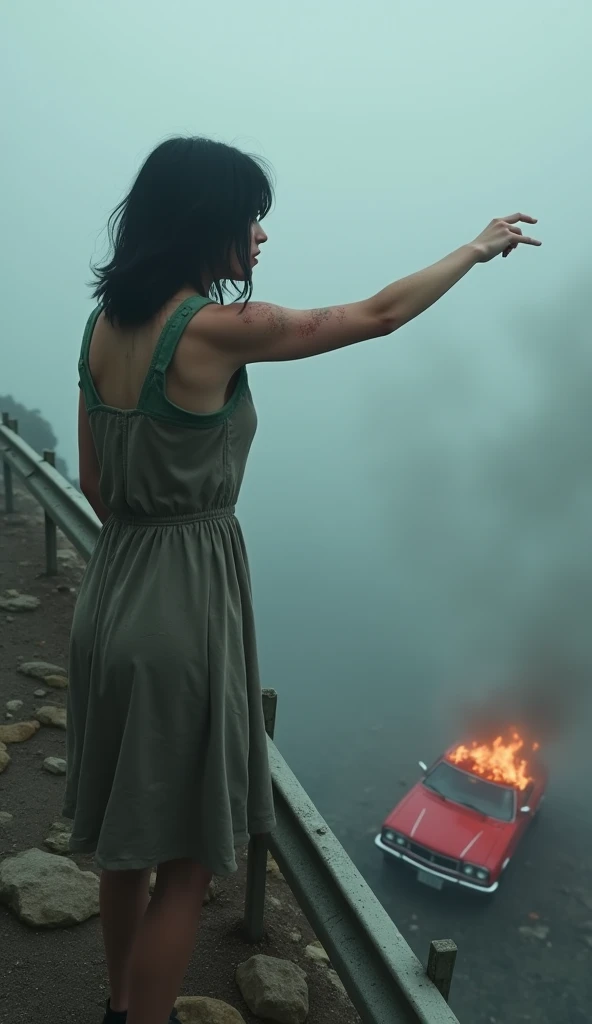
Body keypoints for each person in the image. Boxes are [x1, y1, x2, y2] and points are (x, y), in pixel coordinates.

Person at [64, 134, 541, 1024]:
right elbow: (377, 316)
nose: (260, 238)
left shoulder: (101, 327)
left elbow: (94, 486)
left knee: (125, 846)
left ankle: (118, 1005)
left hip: (111, 595)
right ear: (206, 223)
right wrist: (474, 251)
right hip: (183, 610)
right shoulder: (213, 330)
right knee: (188, 865)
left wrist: (150, 538)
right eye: (251, 219)